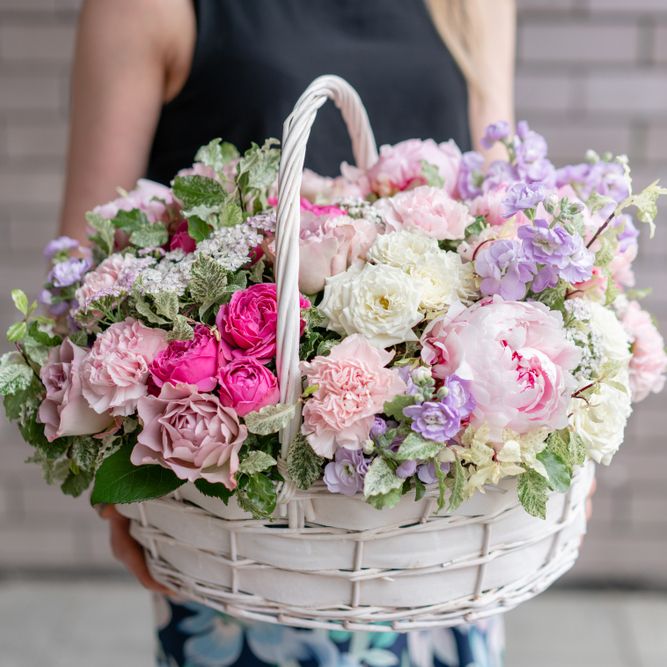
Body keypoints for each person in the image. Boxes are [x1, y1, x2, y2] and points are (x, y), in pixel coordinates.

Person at [60, 1, 516, 665]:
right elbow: (82, 263)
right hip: (249, 527)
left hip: (438, 537)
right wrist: (116, 490)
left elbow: (501, 209)